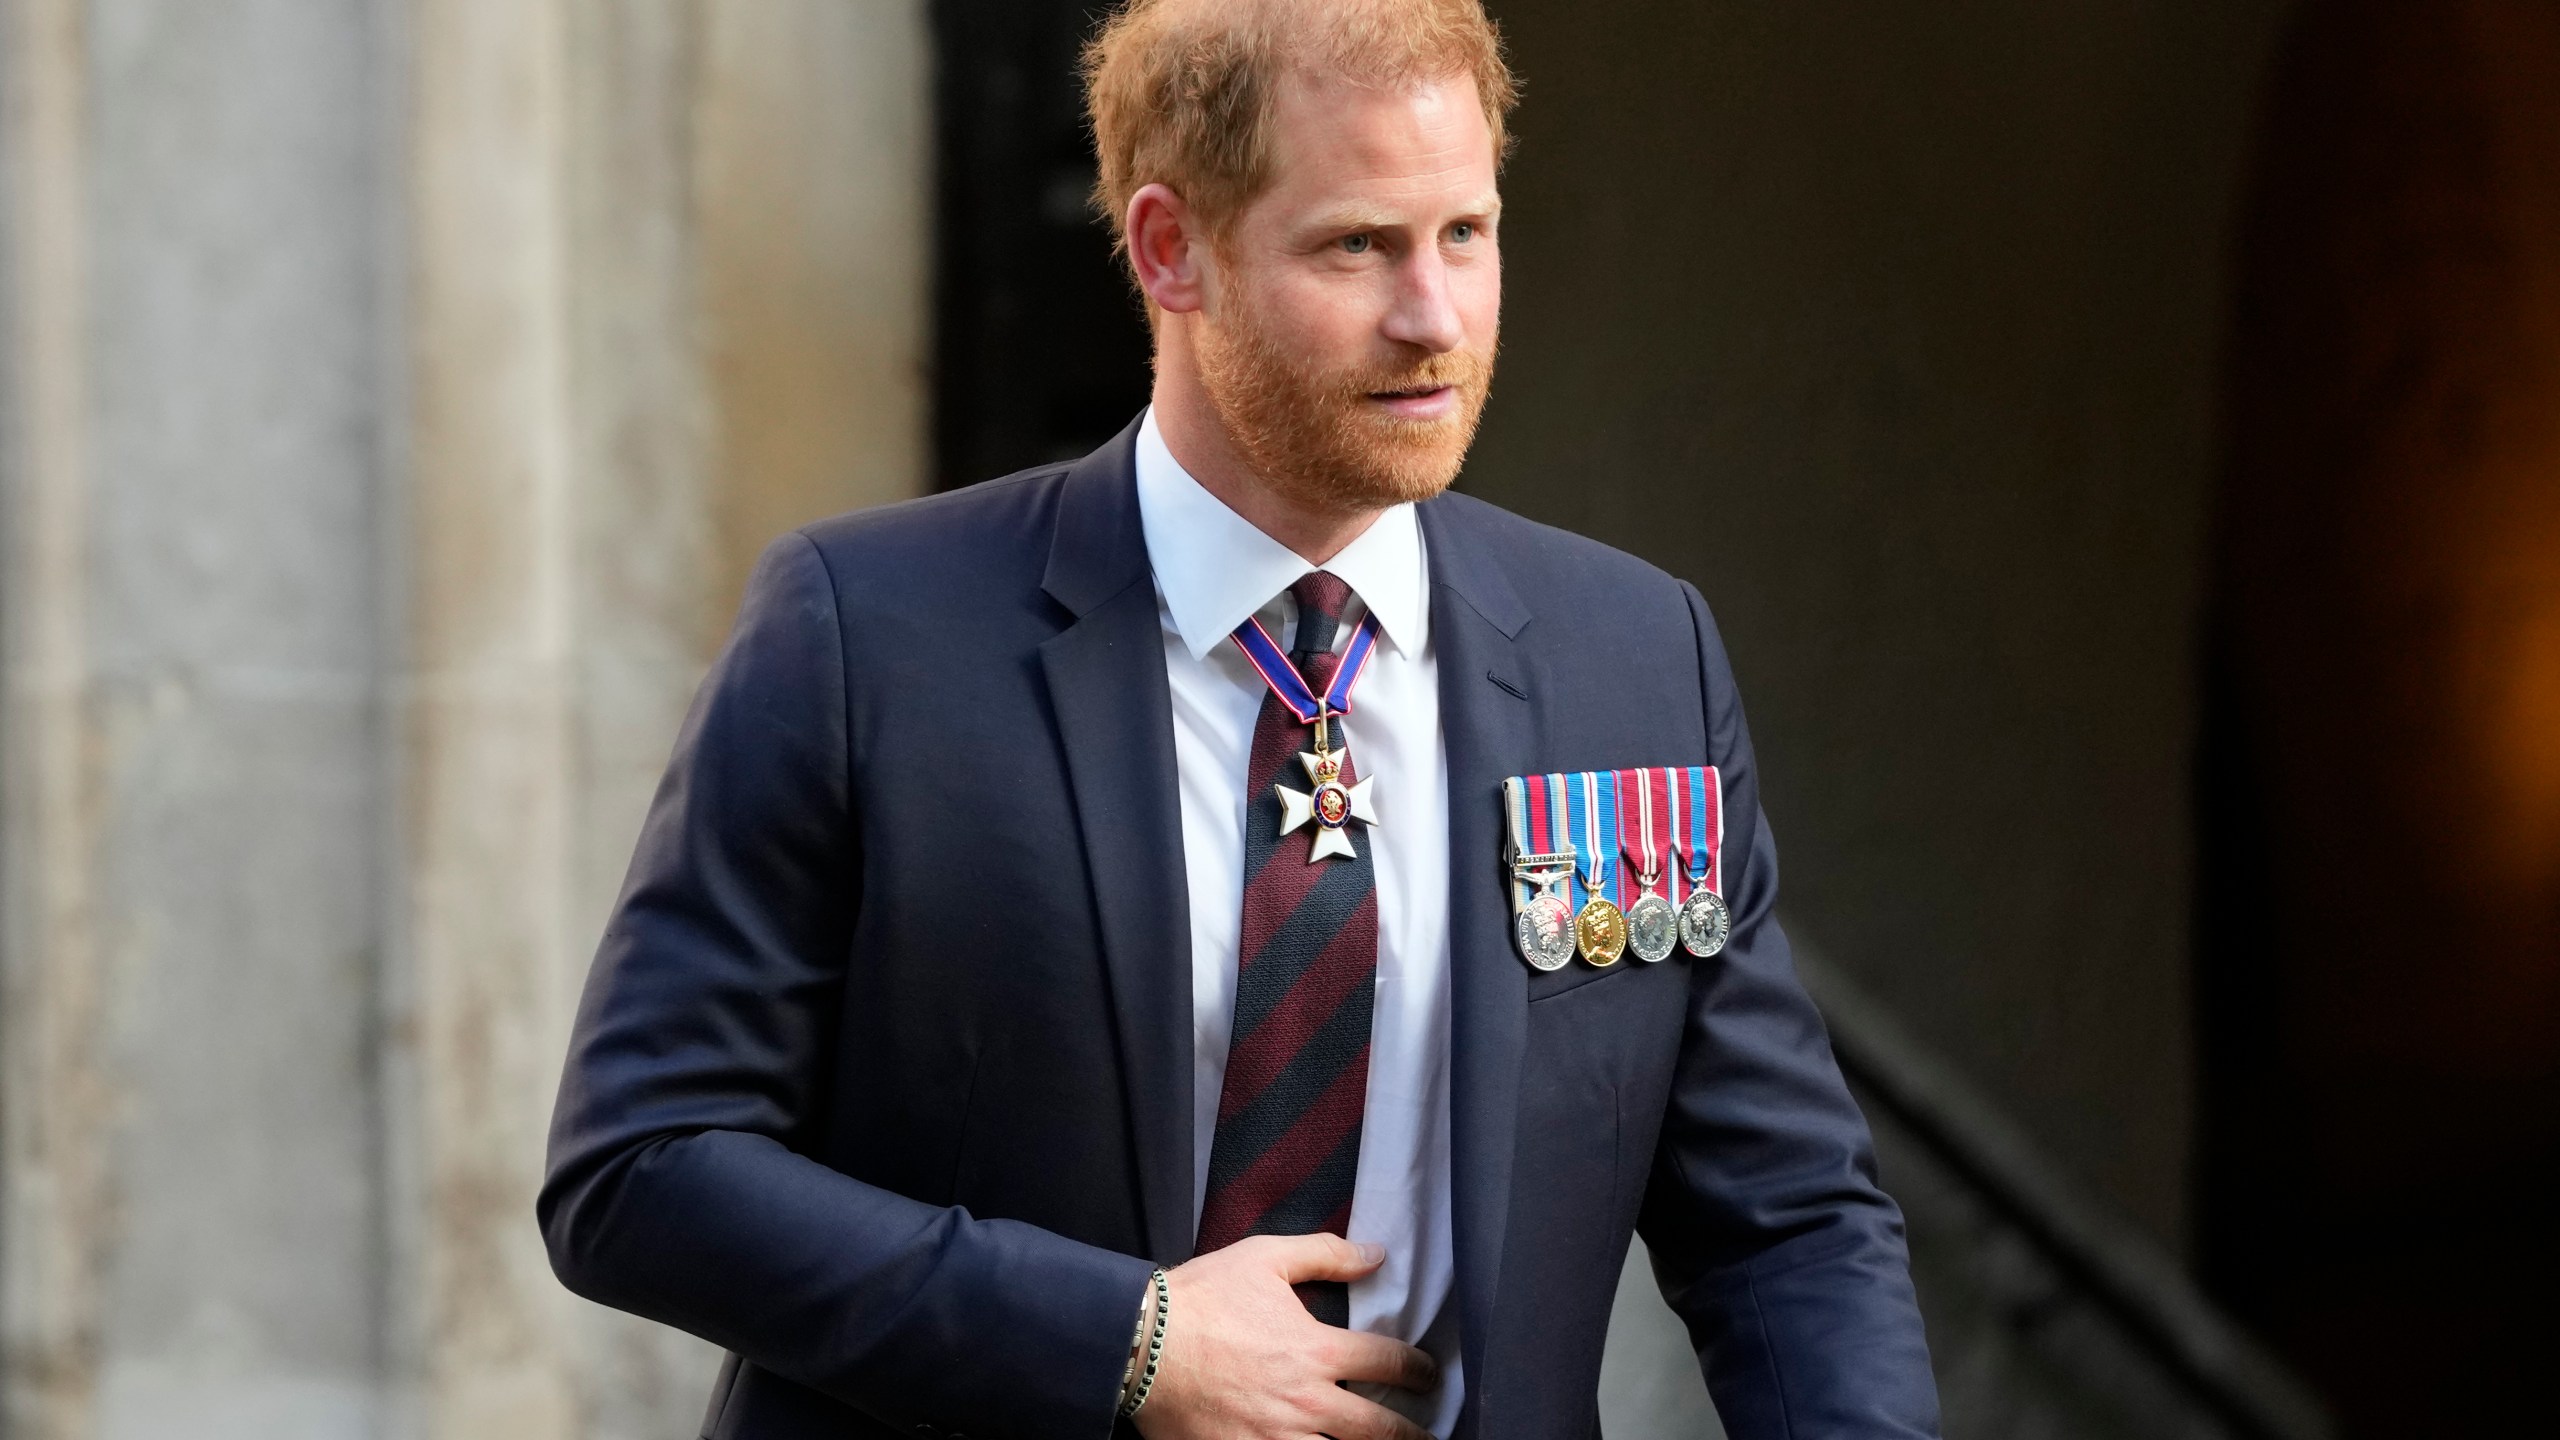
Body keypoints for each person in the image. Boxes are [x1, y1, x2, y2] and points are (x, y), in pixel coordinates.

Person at [539, 1, 1940, 1436]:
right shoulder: (868, 636)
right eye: (1358, 245)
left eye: (1467, 232)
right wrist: (1125, 1340)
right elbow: (639, 1169)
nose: (1434, 318)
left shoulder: (1635, 659)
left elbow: (1784, 1219)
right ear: (1169, 250)